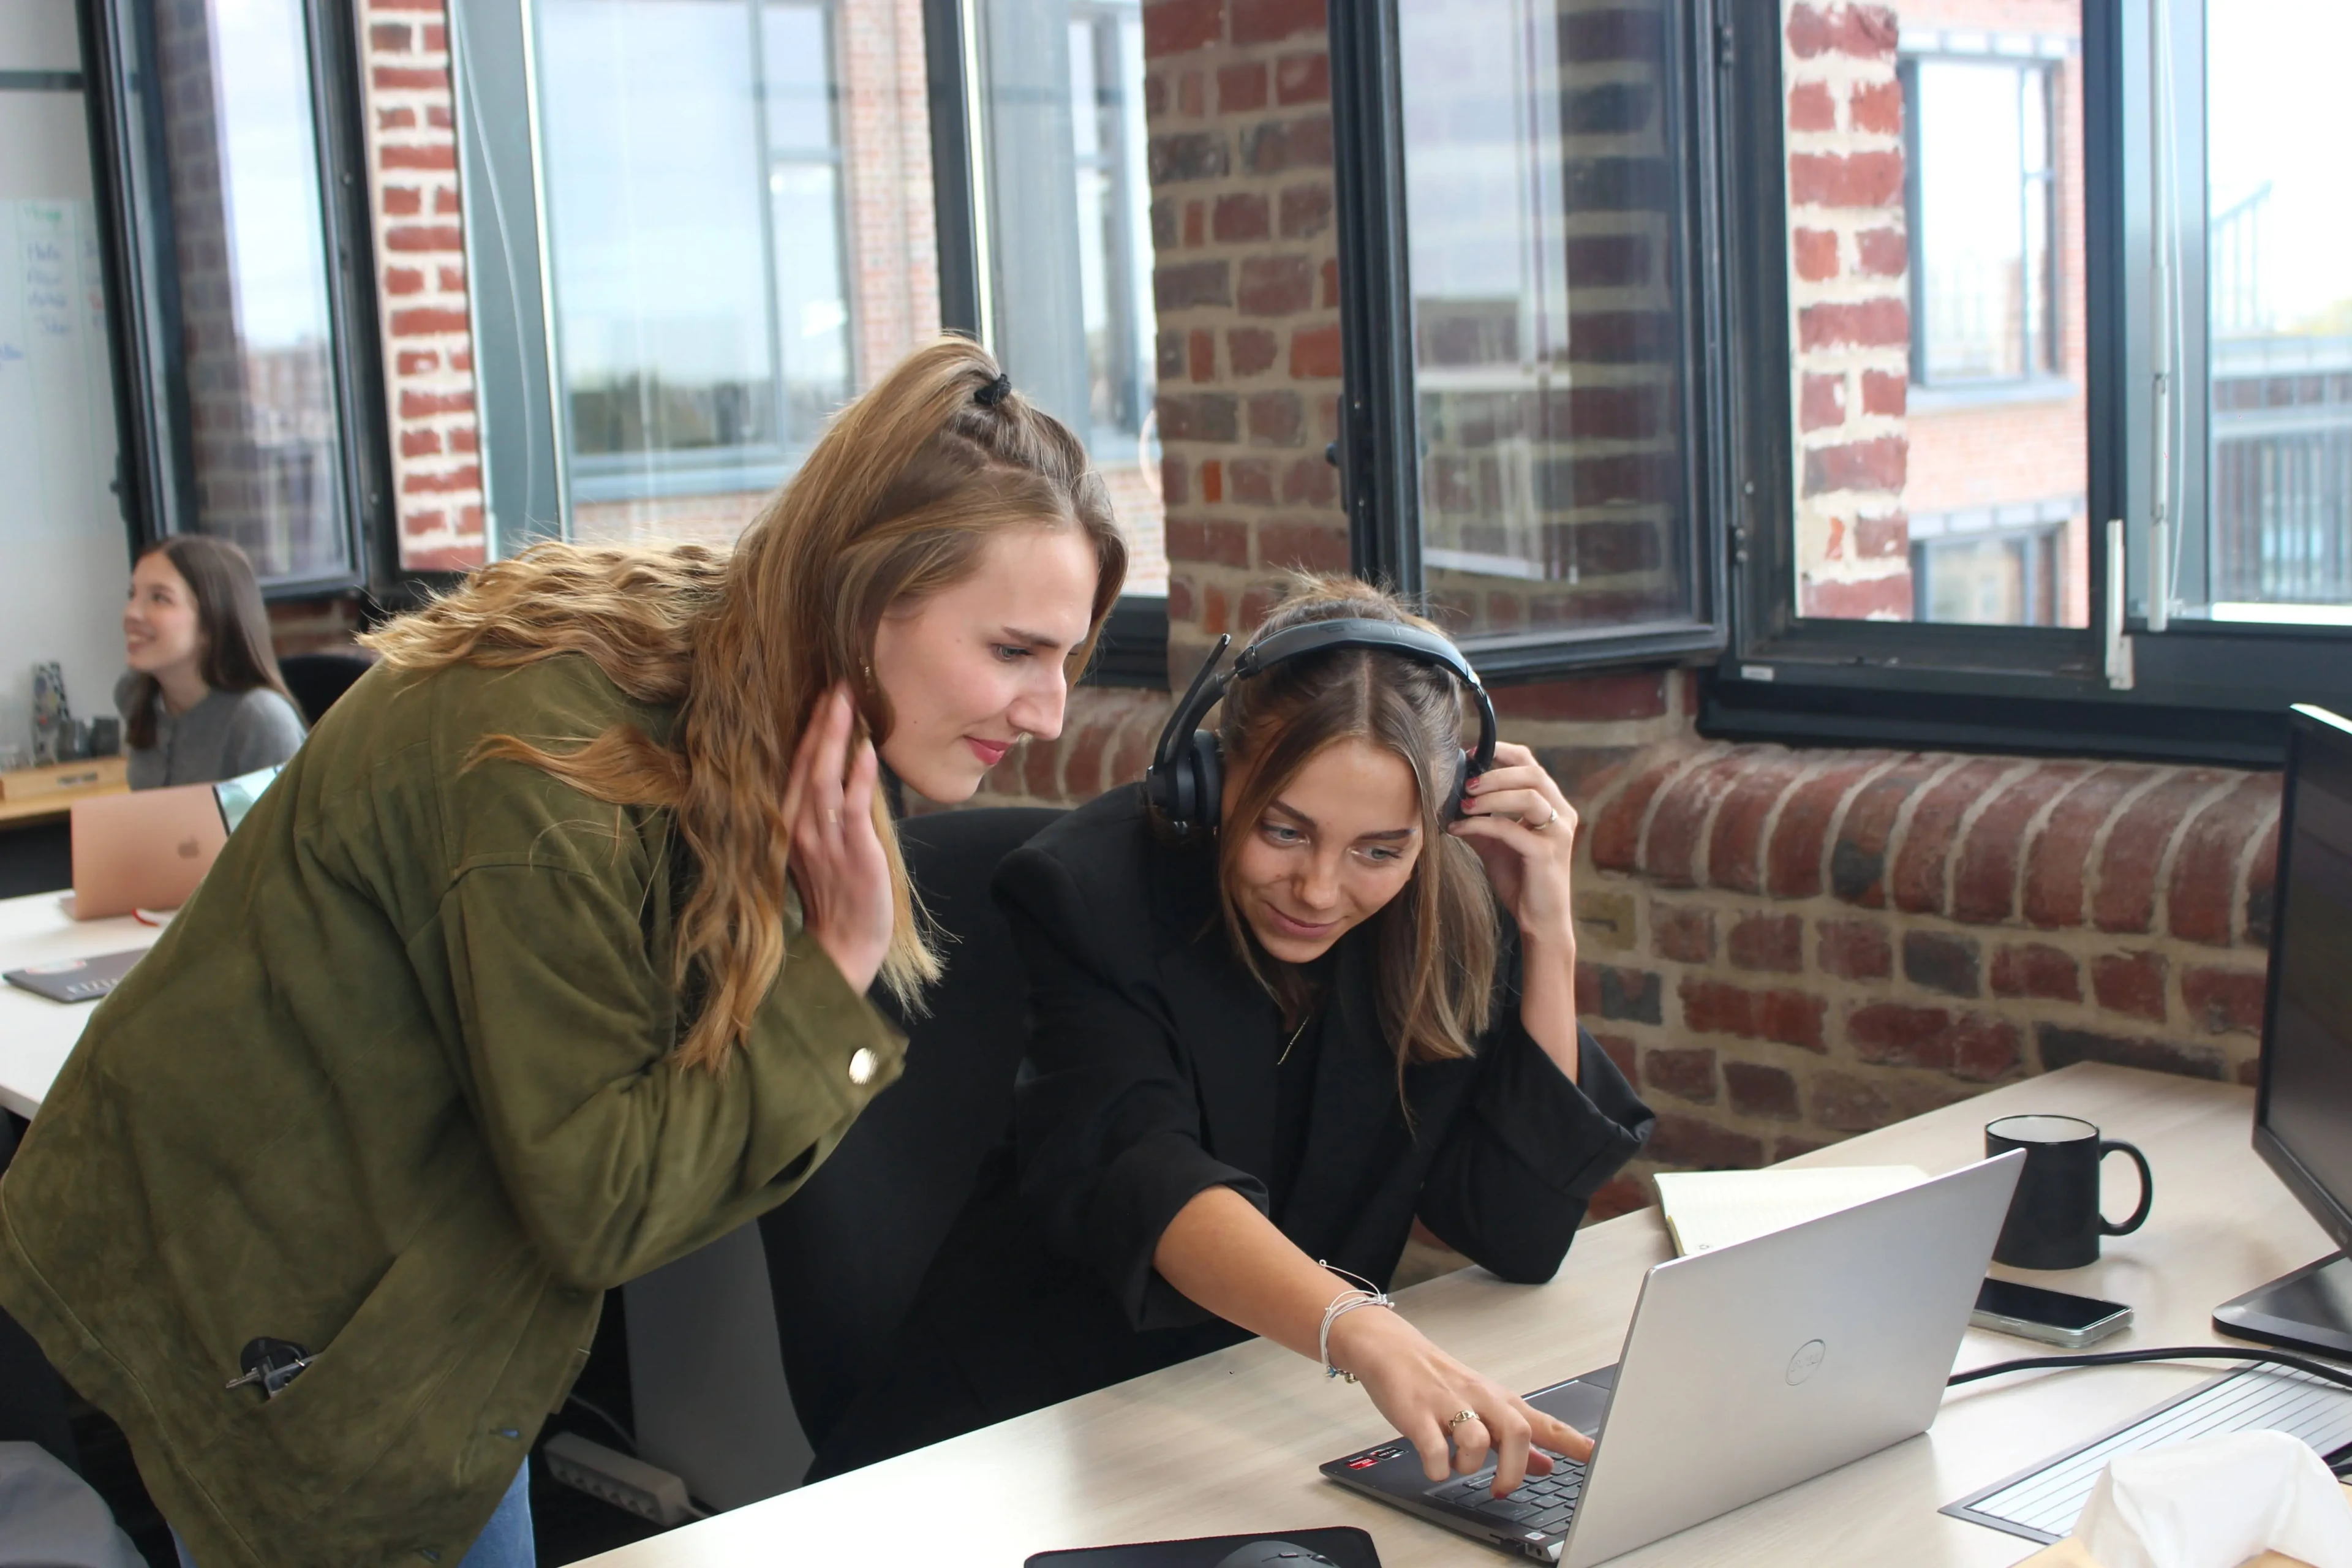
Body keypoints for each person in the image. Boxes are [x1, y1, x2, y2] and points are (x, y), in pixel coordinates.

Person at [0, 338, 1126, 1567]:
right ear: (862, 595)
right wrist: (838, 961)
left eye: (1068, 658)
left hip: (421, 1320)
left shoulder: (768, 704)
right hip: (260, 1299)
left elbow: (663, 1165)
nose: (1051, 710)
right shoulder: (552, 752)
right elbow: (607, 1202)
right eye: (1014, 650)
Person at [812, 578, 1655, 1496]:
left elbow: (1519, 1229)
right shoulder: (1088, 892)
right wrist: (1365, 1331)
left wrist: (1546, 927)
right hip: (1023, 1432)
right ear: (1211, 781)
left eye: (1381, 848)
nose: (1322, 889)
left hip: (1259, 1413)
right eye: (1284, 830)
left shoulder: (1436, 914)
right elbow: (1143, 1170)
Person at [116, 536, 308, 788]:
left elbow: (294, 827)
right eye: (133, 595)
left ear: (211, 621)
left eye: (160, 598)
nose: (131, 613)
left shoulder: (261, 721)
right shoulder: (135, 697)